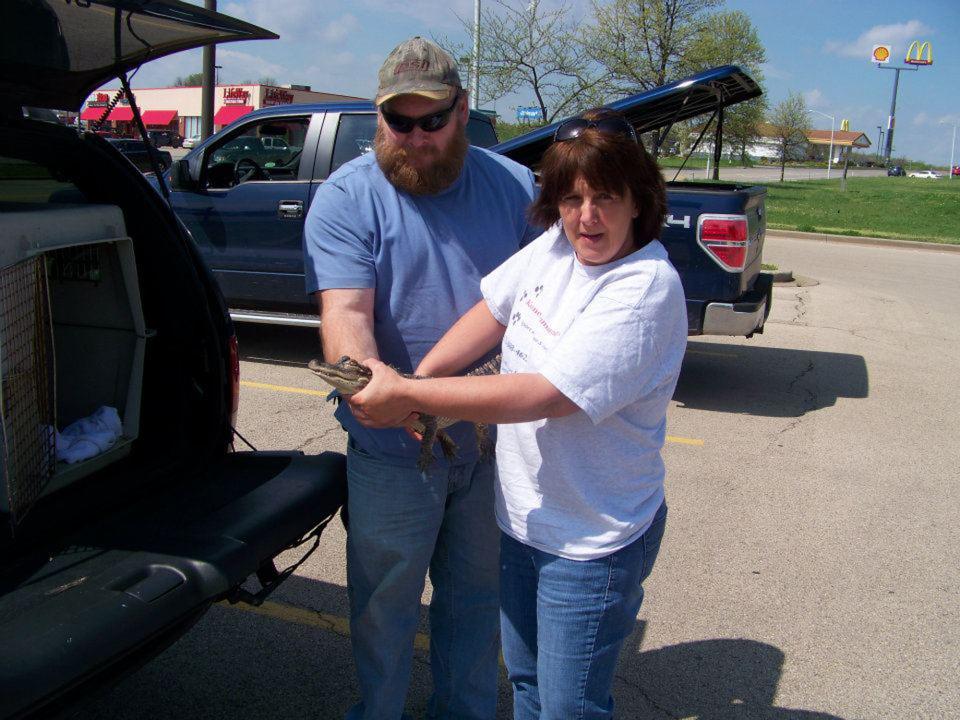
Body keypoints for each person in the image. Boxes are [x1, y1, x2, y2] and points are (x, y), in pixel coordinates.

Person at [351, 108, 688, 719]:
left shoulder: (645, 288)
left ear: (639, 200)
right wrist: (422, 378)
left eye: (606, 198)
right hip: (525, 522)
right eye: (571, 198)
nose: (586, 217)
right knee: (528, 687)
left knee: (569, 708)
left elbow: (545, 394)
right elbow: (492, 311)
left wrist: (411, 395)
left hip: (591, 544)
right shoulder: (556, 249)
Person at [302, 37, 540, 720]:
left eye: (430, 120)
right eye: (397, 121)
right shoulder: (347, 199)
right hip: (390, 452)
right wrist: (374, 384)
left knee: (475, 602)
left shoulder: (515, 189)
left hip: (491, 448)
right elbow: (346, 318)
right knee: (384, 608)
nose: (414, 137)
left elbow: (543, 313)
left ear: (462, 111)